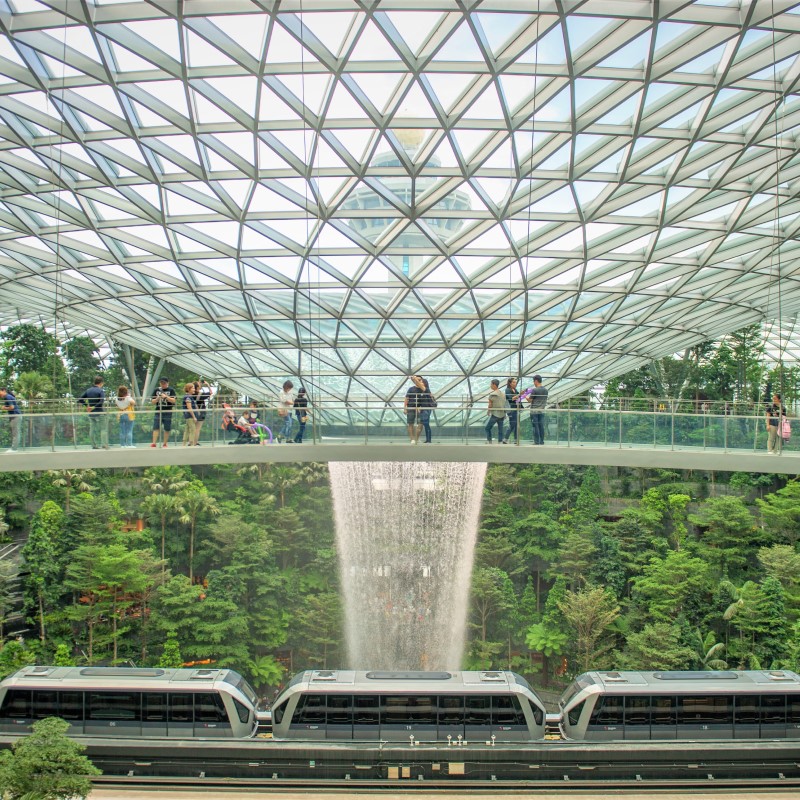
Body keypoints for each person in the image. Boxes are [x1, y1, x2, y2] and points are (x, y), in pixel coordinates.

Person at [78, 376, 108, 450]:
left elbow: (80, 399)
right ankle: (104, 444)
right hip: (100, 412)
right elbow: (101, 401)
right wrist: (94, 407)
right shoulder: (100, 391)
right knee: (103, 429)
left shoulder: (88, 390)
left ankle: (94, 445)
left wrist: (87, 406)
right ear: (101, 383)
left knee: (92, 429)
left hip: (91, 413)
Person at [151, 377, 177, 448]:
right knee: (156, 427)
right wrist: (157, 398)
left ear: (167, 383)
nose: (163, 385)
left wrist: (166, 397)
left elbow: (174, 400)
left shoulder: (171, 390)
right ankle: (154, 443)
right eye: (161, 383)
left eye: (164, 383)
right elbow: (152, 401)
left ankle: (165, 443)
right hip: (158, 411)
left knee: (167, 427)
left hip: (168, 411)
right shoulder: (156, 390)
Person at [0, 387, 21, 452]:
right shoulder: (8, 397)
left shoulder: (8, 397)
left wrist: (4, 408)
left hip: (15, 416)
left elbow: (12, 407)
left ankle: (14, 449)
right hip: (15, 416)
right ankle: (14, 448)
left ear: (3, 391)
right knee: (14, 432)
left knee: (15, 433)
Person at [529, 374, 548, 445]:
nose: (534, 383)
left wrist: (526, 397)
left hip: (534, 411)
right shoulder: (546, 390)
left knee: (535, 426)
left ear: (536, 381)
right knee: (541, 426)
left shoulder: (535, 390)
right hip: (542, 411)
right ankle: (541, 441)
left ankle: (536, 441)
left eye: (534, 381)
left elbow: (530, 400)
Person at [485, 378, 506, 443]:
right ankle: (500, 441)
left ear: (494, 385)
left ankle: (489, 440)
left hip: (495, 414)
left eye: (491, 384)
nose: (490, 386)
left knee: (487, 428)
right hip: (502, 414)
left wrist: (488, 411)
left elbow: (490, 404)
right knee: (500, 429)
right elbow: (505, 404)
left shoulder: (492, 394)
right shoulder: (503, 394)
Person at [404, 375, 424, 444]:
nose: (418, 381)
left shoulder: (423, 388)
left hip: (420, 409)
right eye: (416, 379)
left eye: (419, 380)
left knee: (421, 423)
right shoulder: (411, 389)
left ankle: (417, 439)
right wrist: (405, 408)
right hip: (411, 408)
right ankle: (412, 439)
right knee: (410, 423)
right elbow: (407, 398)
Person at [416, 375, 435, 444]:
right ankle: (428, 440)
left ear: (425, 383)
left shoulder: (426, 389)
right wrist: (418, 407)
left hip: (426, 409)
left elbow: (418, 384)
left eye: (421, 382)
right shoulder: (422, 392)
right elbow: (420, 401)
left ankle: (428, 440)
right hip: (423, 409)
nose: (420, 383)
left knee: (426, 424)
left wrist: (414, 378)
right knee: (425, 424)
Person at [503, 377, 521, 444]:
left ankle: (515, 439)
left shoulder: (515, 390)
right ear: (510, 383)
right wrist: (519, 395)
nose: (515, 383)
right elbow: (511, 398)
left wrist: (522, 395)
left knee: (516, 424)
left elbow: (519, 398)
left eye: (515, 382)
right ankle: (505, 439)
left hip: (516, 409)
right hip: (511, 409)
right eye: (513, 382)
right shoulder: (507, 390)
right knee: (512, 423)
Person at [194, 379, 211, 445]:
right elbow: (210, 393)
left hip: (194, 412)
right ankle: (195, 442)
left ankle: (192, 441)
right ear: (197, 387)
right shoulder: (200, 394)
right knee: (197, 428)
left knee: (193, 428)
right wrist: (208, 385)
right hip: (201, 412)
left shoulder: (192, 394)